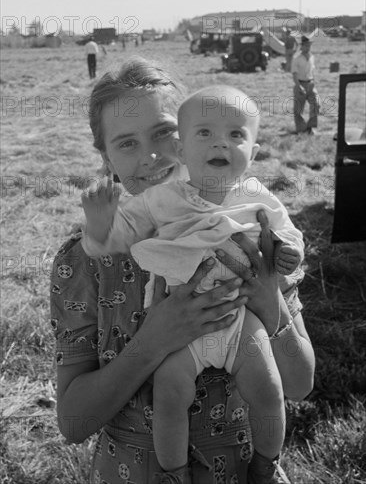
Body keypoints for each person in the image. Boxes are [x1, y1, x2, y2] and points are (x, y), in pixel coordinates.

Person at [50, 57, 315, 484]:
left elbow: (300, 384)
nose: (152, 157)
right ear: (105, 156)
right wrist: (152, 343)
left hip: (243, 470)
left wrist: (270, 302)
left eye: (164, 133)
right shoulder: (83, 261)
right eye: (126, 143)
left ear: (192, 132)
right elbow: (74, 422)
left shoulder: (249, 231)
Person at [291, 36, 320, 135]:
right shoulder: (296, 58)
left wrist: (314, 82)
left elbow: (312, 71)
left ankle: (311, 127)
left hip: (310, 83)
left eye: (309, 45)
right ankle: (301, 129)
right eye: (306, 45)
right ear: (301, 46)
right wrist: (299, 86)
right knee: (298, 109)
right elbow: (294, 74)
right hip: (300, 83)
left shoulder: (312, 57)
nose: (308, 47)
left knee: (316, 104)